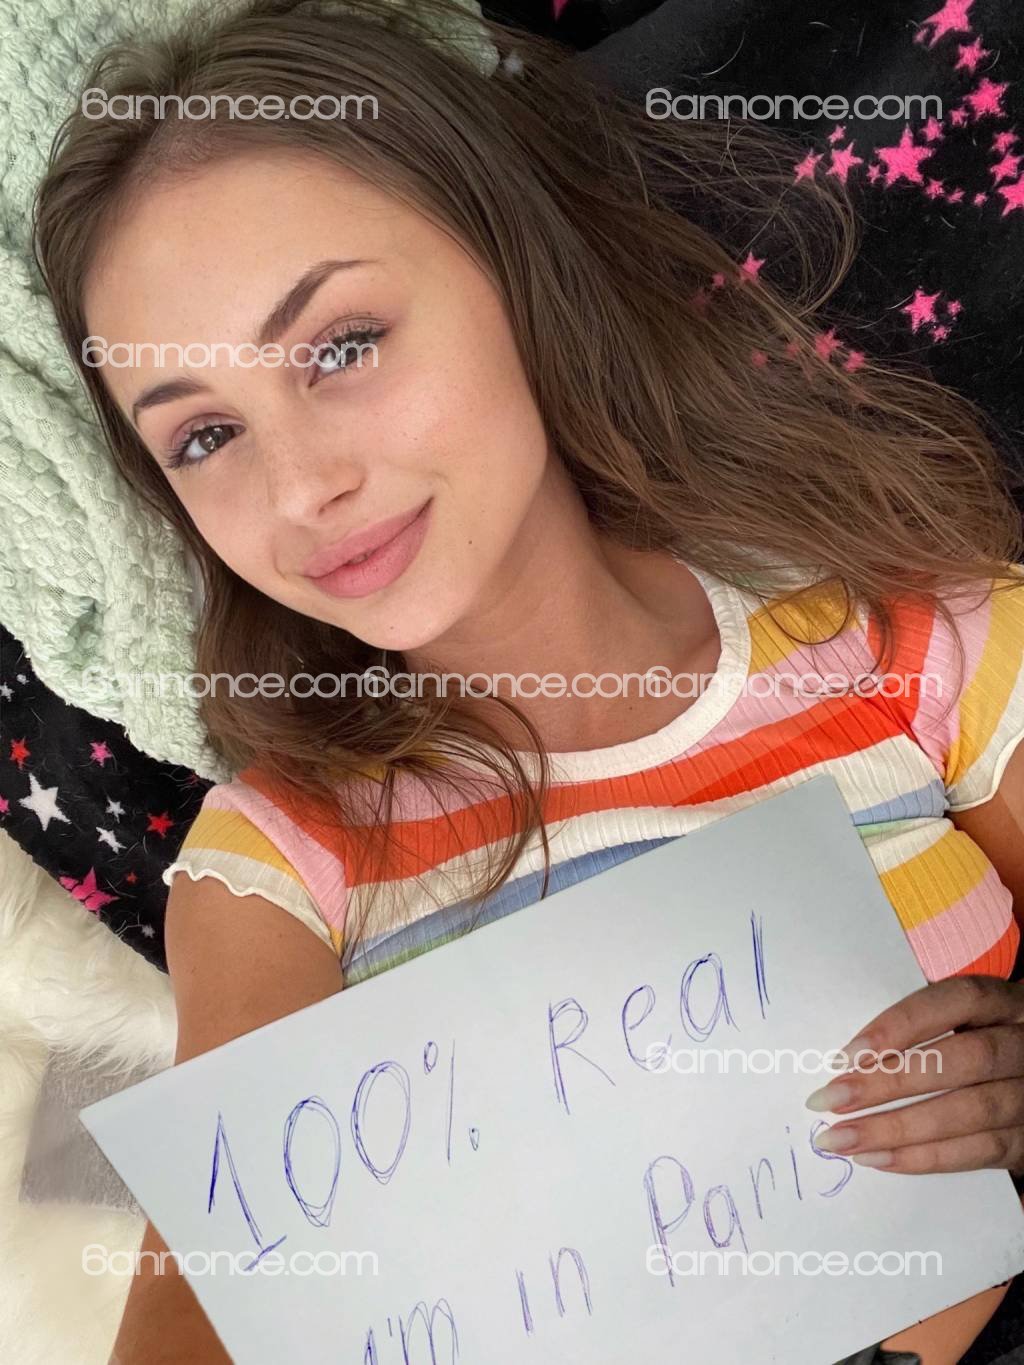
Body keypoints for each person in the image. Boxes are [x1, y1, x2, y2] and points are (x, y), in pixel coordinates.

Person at [32, 0, 1024, 1359]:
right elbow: (197, 1316)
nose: (304, 487)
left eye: (341, 346)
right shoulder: (278, 863)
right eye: (204, 435)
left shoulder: (923, 639)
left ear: (514, 267)